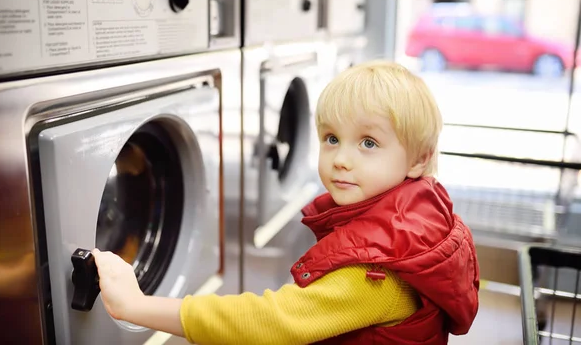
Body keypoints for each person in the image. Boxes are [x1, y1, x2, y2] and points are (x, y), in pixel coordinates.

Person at [93, 60, 480, 345]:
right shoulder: (417, 217)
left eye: (368, 143)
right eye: (331, 138)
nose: (341, 159)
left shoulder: (379, 270)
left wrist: (137, 306)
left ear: (418, 159)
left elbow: (275, 321)